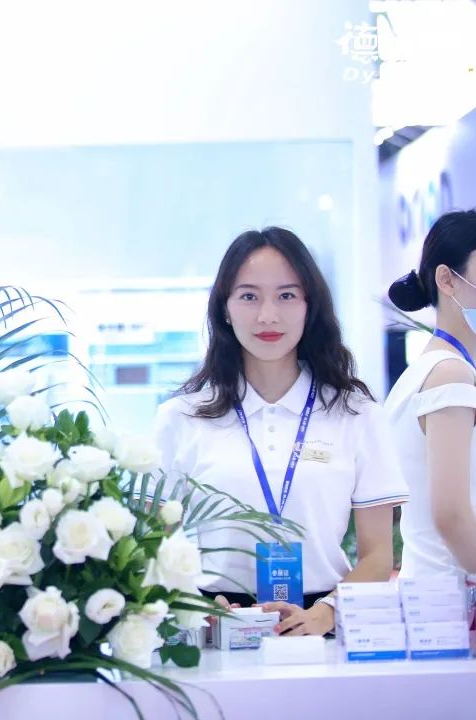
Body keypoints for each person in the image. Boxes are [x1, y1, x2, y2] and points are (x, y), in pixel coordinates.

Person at [153, 227, 408, 635]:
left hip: (322, 625)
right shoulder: (181, 417)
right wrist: (189, 602)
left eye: (287, 295)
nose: (268, 315)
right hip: (215, 625)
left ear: (310, 306)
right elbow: (152, 544)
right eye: (249, 296)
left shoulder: (356, 413)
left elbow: (377, 556)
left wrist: (328, 613)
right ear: (224, 309)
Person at [385, 209, 476, 578]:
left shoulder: (448, 369)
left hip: (453, 591)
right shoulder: (449, 375)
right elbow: (452, 516)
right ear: (447, 279)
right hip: (447, 596)